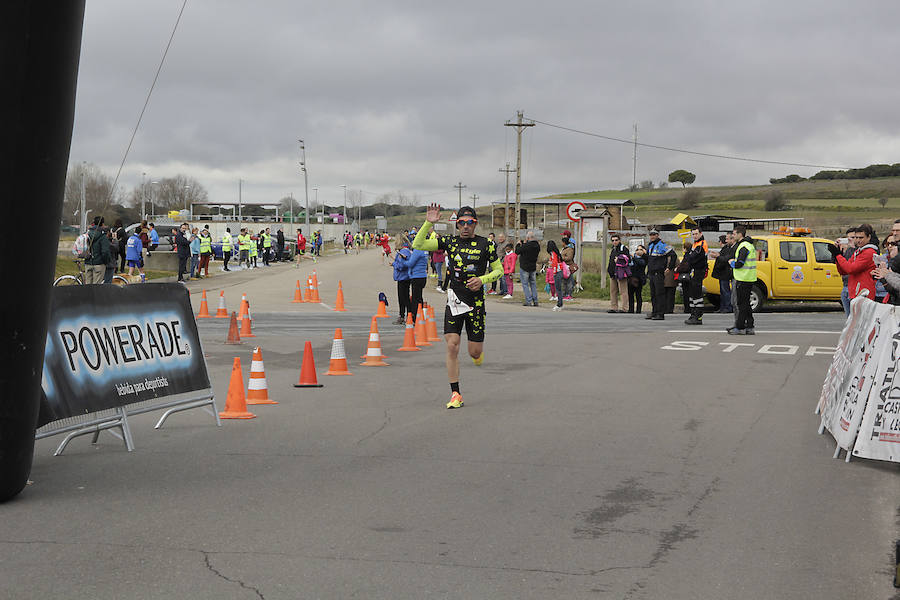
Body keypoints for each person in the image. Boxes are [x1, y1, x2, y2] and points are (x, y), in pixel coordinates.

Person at [412, 204, 503, 409]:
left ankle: (477, 356)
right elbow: (418, 244)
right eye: (461, 222)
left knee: (474, 351)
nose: (465, 226)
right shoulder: (449, 242)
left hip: (476, 303)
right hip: (454, 300)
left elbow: (499, 270)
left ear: (475, 224)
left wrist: (483, 279)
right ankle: (456, 393)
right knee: (452, 344)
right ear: (456, 224)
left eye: (469, 223)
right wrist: (429, 223)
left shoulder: (485, 244)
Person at [834, 223, 878, 303]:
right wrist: (838, 256)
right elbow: (844, 271)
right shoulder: (858, 251)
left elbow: (851, 269)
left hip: (863, 294)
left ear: (869, 237)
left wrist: (838, 256)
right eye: (856, 237)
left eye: (861, 237)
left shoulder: (869, 252)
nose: (858, 240)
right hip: (855, 292)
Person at [728, 225, 757, 335]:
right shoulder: (749, 245)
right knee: (746, 304)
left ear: (740, 234)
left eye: (734, 234)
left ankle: (740, 327)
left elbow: (740, 263)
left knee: (742, 304)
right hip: (748, 277)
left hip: (743, 278)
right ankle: (750, 326)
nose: (733, 235)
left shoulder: (743, 246)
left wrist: (731, 262)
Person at [645, 229, 676, 320]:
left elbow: (673, 255)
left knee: (660, 294)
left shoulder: (662, 245)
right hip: (651, 273)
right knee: (653, 294)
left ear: (658, 235)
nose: (652, 236)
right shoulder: (650, 245)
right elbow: (649, 259)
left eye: (654, 235)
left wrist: (669, 268)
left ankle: (660, 313)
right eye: (651, 235)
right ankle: (654, 312)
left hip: (658, 273)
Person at [682, 227, 708, 325]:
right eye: (693, 234)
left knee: (697, 295)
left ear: (701, 233)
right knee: (692, 294)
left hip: (699, 271)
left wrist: (688, 255)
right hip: (694, 271)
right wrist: (688, 256)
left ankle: (698, 316)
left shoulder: (701, 244)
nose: (694, 236)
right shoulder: (695, 244)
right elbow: (689, 257)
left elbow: (692, 258)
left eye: (696, 234)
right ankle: (693, 314)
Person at [515, 230, 541, 307]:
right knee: (533, 284)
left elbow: (517, 251)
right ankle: (535, 300)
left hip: (524, 267)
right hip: (533, 267)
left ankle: (528, 300)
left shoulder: (526, 246)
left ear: (528, 238)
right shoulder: (537, 246)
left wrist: (518, 244)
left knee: (525, 284)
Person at [711, 233, 735, 313]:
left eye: (727, 239)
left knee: (725, 291)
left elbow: (725, 260)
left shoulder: (729, 249)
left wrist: (718, 256)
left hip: (725, 273)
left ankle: (727, 307)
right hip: (723, 273)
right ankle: (723, 307)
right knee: (723, 291)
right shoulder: (727, 248)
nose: (726, 241)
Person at [606, 233, 630, 313]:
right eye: (613, 240)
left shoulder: (623, 249)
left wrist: (619, 260)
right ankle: (614, 307)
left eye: (616, 240)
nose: (614, 242)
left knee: (623, 291)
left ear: (619, 240)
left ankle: (625, 308)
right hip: (613, 272)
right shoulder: (613, 249)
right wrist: (609, 270)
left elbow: (627, 259)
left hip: (621, 272)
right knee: (613, 291)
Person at [84, 216, 111, 284]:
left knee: (88, 286)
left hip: (88, 263)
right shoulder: (103, 236)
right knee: (96, 287)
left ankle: (86, 295)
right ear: (102, 224)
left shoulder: (87, 234)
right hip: (99, 264)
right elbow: (105, 252)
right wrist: (106, 261)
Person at [392, 240, 411, 325]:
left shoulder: (404, 252)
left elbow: (402, 265)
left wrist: (394, 264)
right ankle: (403, 315)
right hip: (402, 277)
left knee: (404, 298)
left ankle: (407, 316)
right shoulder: (403, 251)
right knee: (402, 297)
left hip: (404, 277)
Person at [408, 243, 429, 315]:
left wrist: (404, 262)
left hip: (417, 276)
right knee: (419, 296)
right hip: (423, 276)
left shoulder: (417, 251)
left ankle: (415, 316)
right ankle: (422, 313)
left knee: (415, 298)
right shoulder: (425, 251)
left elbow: (410, 263)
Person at [546, 240, 565, 311]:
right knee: (559, 289)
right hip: (560, 271)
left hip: (557, 272)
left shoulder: (553, 254)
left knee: (558, 289)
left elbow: (554, 263)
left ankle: (559, 304)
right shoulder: (557, 253)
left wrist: (553, 272)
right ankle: (560, 303)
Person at [628, 245, 647, 314]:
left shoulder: (644, 258)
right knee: (630, 294)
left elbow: (642, 263)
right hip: (631, 278)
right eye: (637, 249)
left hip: (639, 279)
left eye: (640, 249)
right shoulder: (632, 258)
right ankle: (631, 309)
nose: (638, 251)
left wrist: (634, 257)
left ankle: (638, 310)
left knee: (638, 295)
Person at [560, 232, 578, 300]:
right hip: (564, 265)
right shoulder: (565, 247)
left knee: (569, 280)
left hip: (568, 265)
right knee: (564, 281)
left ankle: (569, 294)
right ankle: (565, 294)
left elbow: (570, 256)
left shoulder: (570, 246)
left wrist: (562, 258)